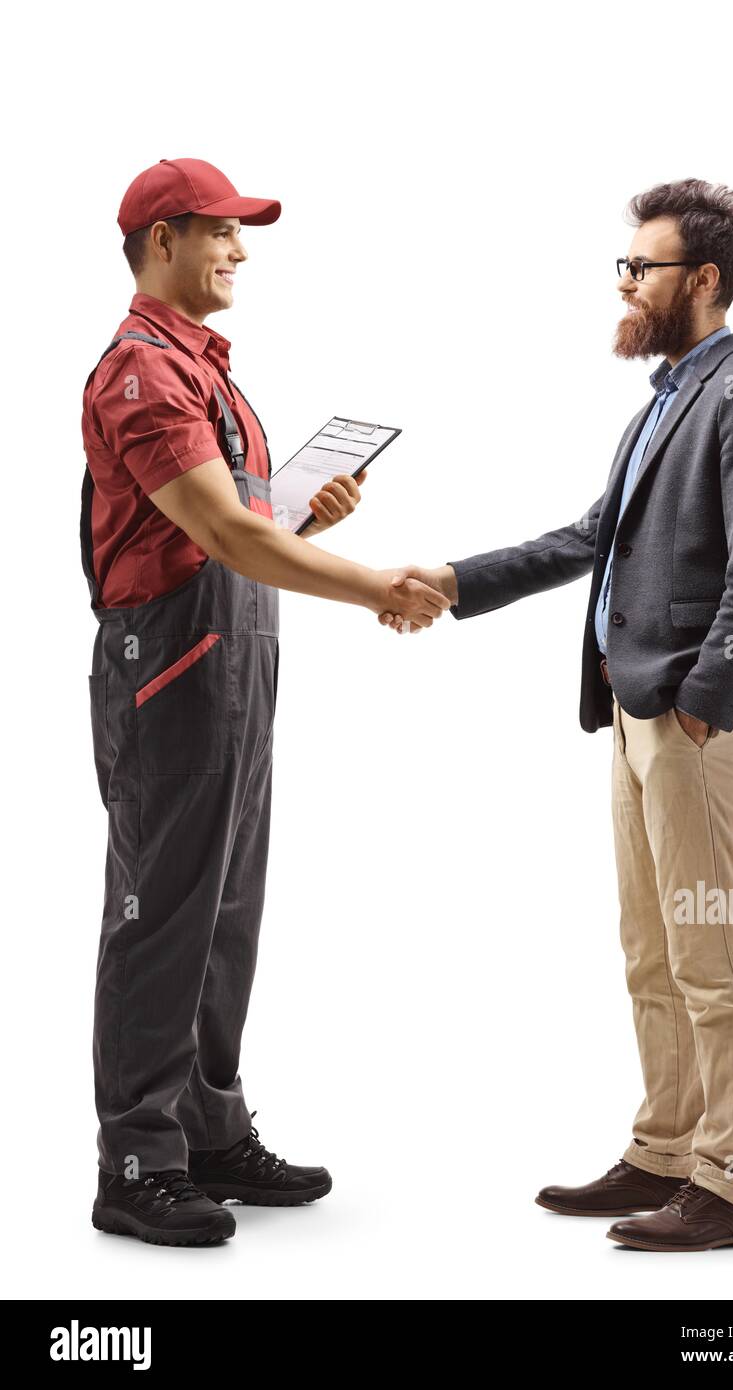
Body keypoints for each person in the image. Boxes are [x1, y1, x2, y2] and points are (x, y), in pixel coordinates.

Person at [380, 178, 733, 1253]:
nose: (622, 282)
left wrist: (701, 705)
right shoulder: (662, 398)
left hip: (691, 723)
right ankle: (664, 1149)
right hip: (632, 714)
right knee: (649, 947)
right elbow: (587, 538)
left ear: (698, 280)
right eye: (622, 265)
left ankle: (732, 1186)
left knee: (709, 947)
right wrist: (453, 577)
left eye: (639, 267)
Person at [82, 158, 449, 1247]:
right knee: (163, 908)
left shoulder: (213, 374)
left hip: (235, 656)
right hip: (170, 664)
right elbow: (231, 538)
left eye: (241, 233)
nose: (238, 250)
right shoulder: (141, 374)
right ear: (160, 242)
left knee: (227, 907)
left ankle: (206, 1129)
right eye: (218, 232)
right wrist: (376, 581)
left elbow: (248, 523)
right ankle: (135, 1159)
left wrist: (309, 521)